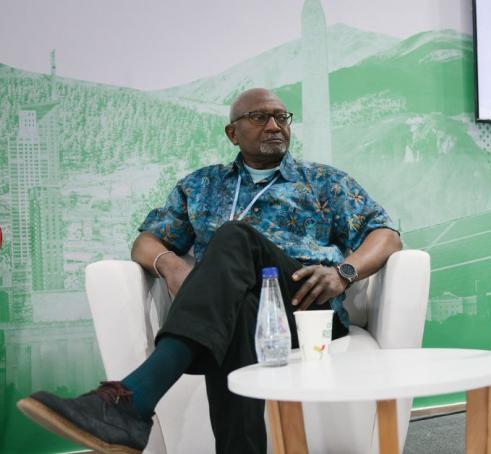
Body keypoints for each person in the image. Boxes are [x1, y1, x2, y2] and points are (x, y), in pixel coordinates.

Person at [17, 88, 402, 454]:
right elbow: (147, 242)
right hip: (231, 309)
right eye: (259, 117)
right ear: (232, 133)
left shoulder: (322, 181)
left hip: (304, 306)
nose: (274, 125)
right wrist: (169, 266)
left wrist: (344, 273)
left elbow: (385, 233)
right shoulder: (201, 185)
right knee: (238, 312)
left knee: (236, 236)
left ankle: (132, 400)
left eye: (281, 116)